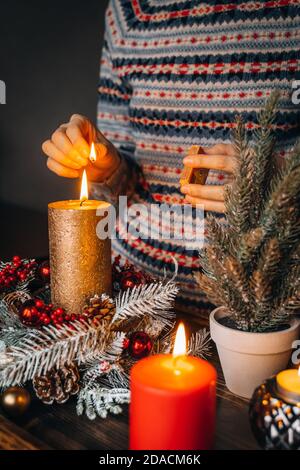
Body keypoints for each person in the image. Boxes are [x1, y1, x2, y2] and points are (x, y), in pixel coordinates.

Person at [42, 0, 300, 319]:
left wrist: (279, 183)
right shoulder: (130, 13)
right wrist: (107, 169)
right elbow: (121, 188)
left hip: (259, 323)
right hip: (132, 307)